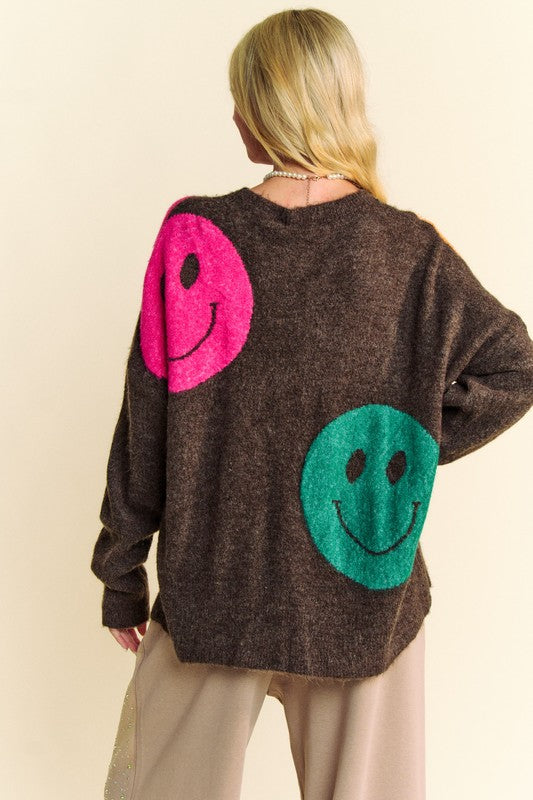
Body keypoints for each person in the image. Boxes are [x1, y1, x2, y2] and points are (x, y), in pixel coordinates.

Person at [90, 8, 533, 800]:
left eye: (240, 96)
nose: (233, 114)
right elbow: (514, 369)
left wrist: (121, 567)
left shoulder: (196, 237)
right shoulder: (408, 251)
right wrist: (397, 449)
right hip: (362, 596)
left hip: (215, 582)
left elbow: (146, 417)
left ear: (264, 106)